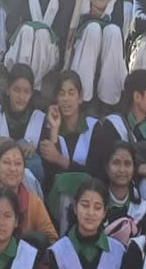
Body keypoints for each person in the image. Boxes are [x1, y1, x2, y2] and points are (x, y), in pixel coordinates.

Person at [94, 69, 146, 203]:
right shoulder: (112, 125)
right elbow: (102, 167)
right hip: (116, 195)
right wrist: (138, 169)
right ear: (137, 97)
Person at [65, 0, 129, 106]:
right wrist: (90, 19)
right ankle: (83, 98)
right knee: (93, 29)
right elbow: (65, 24)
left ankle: (108, 100)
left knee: (113, 31)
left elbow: (118, 26)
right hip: (81, 47)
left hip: (107, 48)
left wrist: (99, 19)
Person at [39, 71, 101, 233]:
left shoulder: (94, 127)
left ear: (80, 97)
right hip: (57, 202)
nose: (66, 99)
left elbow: (95, 171)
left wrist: (59, 159)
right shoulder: (48, 128)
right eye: (61, 93)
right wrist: (54, 129)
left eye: (71, 93)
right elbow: (49, 175)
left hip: (90, 198)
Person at [0, 138, 57, 246]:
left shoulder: (34, 202)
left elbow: (52, 240)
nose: (13, 169)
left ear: (24, 170)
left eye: (18, 163)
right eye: (6, 162)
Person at [0, 64, 48, 191]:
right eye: (16, 90)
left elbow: (45, 166)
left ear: (32, 93)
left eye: (26, 92)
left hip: (29, 188)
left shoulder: (39, 119)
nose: (21, 97)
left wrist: (31, 150)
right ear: (8, 90)